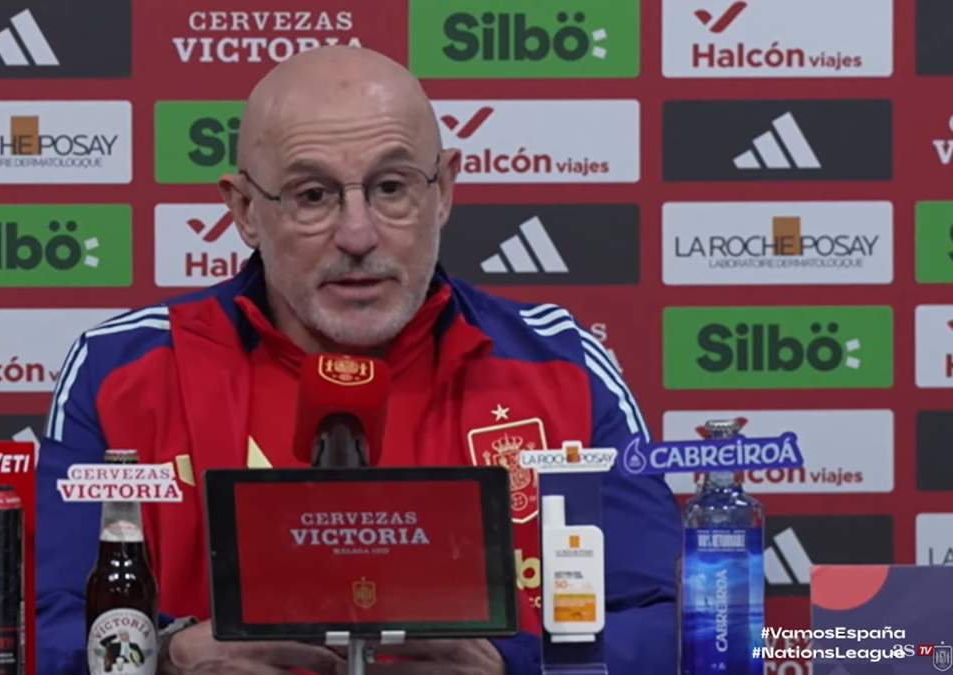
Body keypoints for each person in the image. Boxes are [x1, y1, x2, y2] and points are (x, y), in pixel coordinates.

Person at [36, 46, 681, 675]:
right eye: (313, 195)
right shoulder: (123, 370)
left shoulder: (563, 366)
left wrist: (512, 664)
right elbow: (36, 623)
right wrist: (164, 657)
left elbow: (672, 622)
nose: (358, 235)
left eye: (391, 187)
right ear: (245, 211)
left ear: (443, 191)